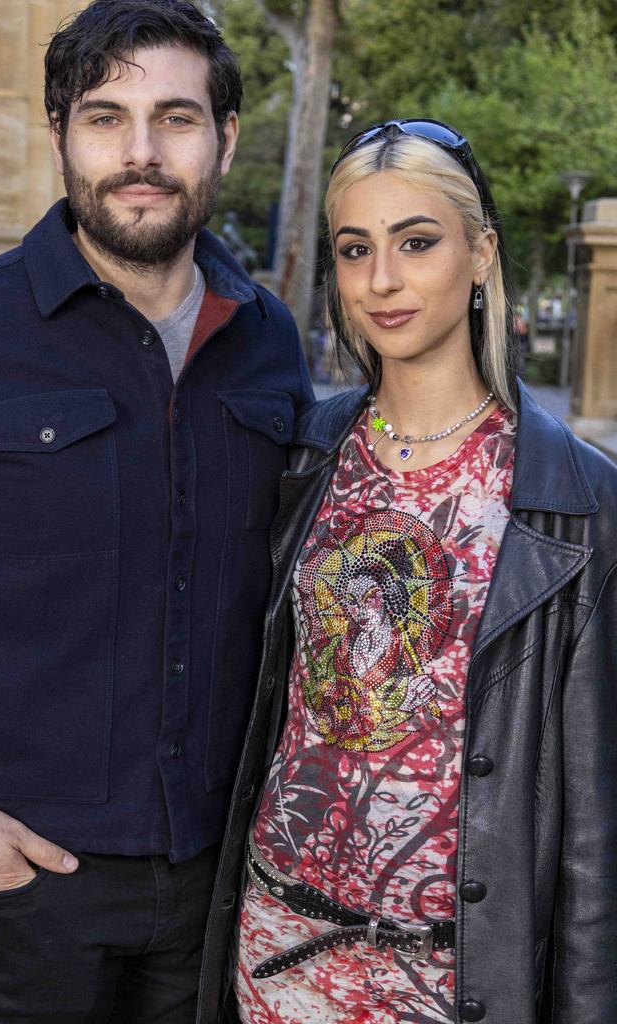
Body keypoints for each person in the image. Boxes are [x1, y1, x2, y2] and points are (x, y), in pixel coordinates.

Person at [0, 2, 314, 1021]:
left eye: (176, 118)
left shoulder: (271, 340)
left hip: (218, 888)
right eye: (105, 117)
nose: (141, 153)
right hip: (15, 892)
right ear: (56, 129)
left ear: (225, 139)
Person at [196, 120, 617, 1024]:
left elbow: (593, 832)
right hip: (280, 955)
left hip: (454, 981)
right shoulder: (301, 458)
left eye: (416, 242)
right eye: (356, 250)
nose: (382, 280)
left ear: (480, 255)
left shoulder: (578, 501)